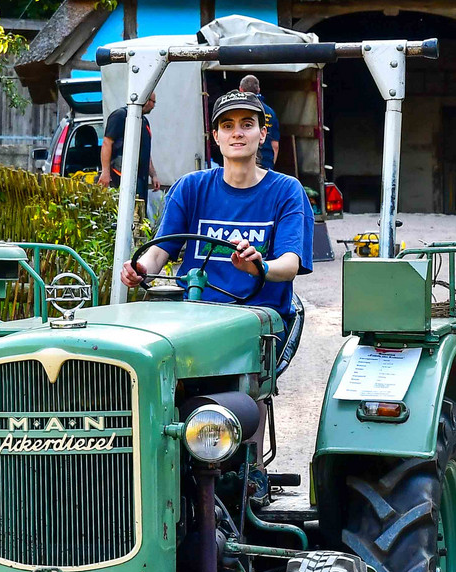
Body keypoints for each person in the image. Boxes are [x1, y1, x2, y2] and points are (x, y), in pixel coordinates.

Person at [120, 87, 311, 376]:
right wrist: (140, 268)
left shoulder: (286, 190)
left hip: (255, 319)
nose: (237, 133)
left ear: (262, 134)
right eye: (227, 125)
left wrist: (259, 266)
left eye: (247, 124)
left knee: (236, 398)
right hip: (193, 317)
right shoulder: (191, 187)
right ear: (216, 136)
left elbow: (289, 264)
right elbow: (160, 251)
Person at [100, 92, 163, 221]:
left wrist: (154, 174)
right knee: (123, 213)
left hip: (140, 177)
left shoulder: (144, 121)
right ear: (146, 100)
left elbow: (145, 151)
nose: (153, 106)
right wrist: (105, 172)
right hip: (121, 176)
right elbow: (107, 143)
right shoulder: (120, 116)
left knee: (139, 213)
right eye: (153, 102)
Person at [237, 75, 281, 170]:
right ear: (259, 90)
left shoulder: (237, 111)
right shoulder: (270, 112)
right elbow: (275, 145)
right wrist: (270, 165)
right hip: (266, 162)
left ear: (240, 90)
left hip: (243, 163)